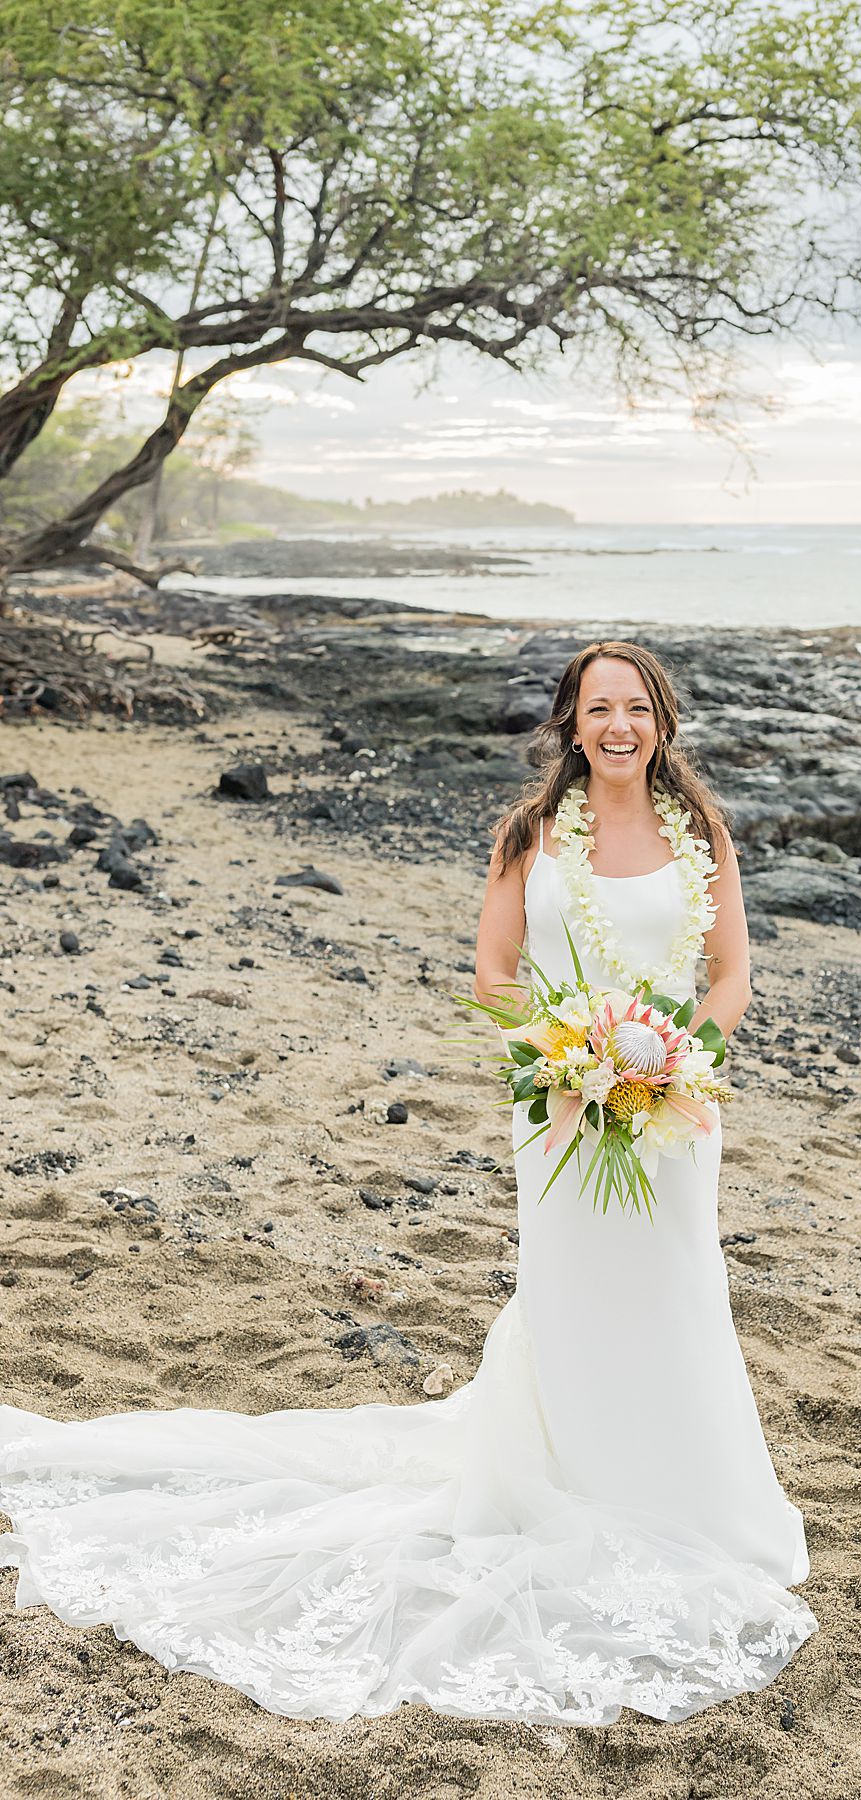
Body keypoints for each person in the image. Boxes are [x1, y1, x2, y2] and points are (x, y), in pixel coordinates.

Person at [0, 639, 817, 1727]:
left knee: (676, 1295)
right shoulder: (530, 836)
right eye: (596, 708)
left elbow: (730, 977)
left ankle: (686, 1498)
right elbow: (492, 976)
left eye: (636, 707)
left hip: (674, 1113)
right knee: (575, 1296)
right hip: (561, 1104)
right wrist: (572, 1053)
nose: (617, 726)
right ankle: (566, 1482)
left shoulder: (700, 835)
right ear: (569, 725)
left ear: (662, 721)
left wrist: (669, 1057)